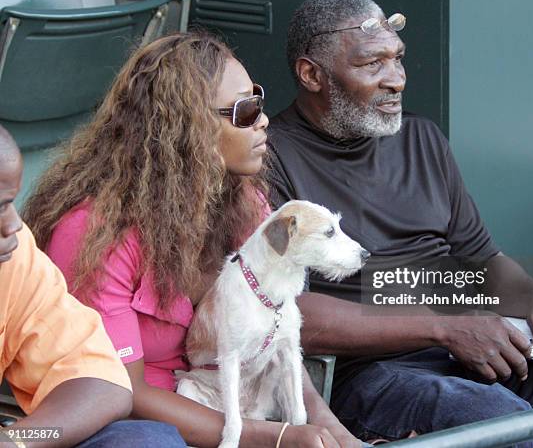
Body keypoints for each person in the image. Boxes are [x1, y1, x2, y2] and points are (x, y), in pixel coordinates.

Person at [267, 0, 533, 447]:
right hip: (367, 373)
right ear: (312, 74)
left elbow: (482, 259)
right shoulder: (271, 161)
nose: (397, 79)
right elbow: (283, 312)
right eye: (373, 64)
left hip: (476, 344)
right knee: (494, 422)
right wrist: (444, 326)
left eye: (398, 59)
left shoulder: (422, 138)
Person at [23, 32, 363, 448]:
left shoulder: (248, 204)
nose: (263, 119)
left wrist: (326, 428)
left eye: (257, 99)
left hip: (230, 405)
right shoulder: (94, 233)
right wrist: (273, 438)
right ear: (187, 130)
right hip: (133, 421)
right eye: (244, 110)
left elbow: (279, 333)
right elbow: (122, 390)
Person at [0, 126, 186, 447]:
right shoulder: (92, 228)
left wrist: (18, 440)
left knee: (146, 440)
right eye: (1, 205)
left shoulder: (14, 256)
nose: (15, 223)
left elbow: (103, 383)